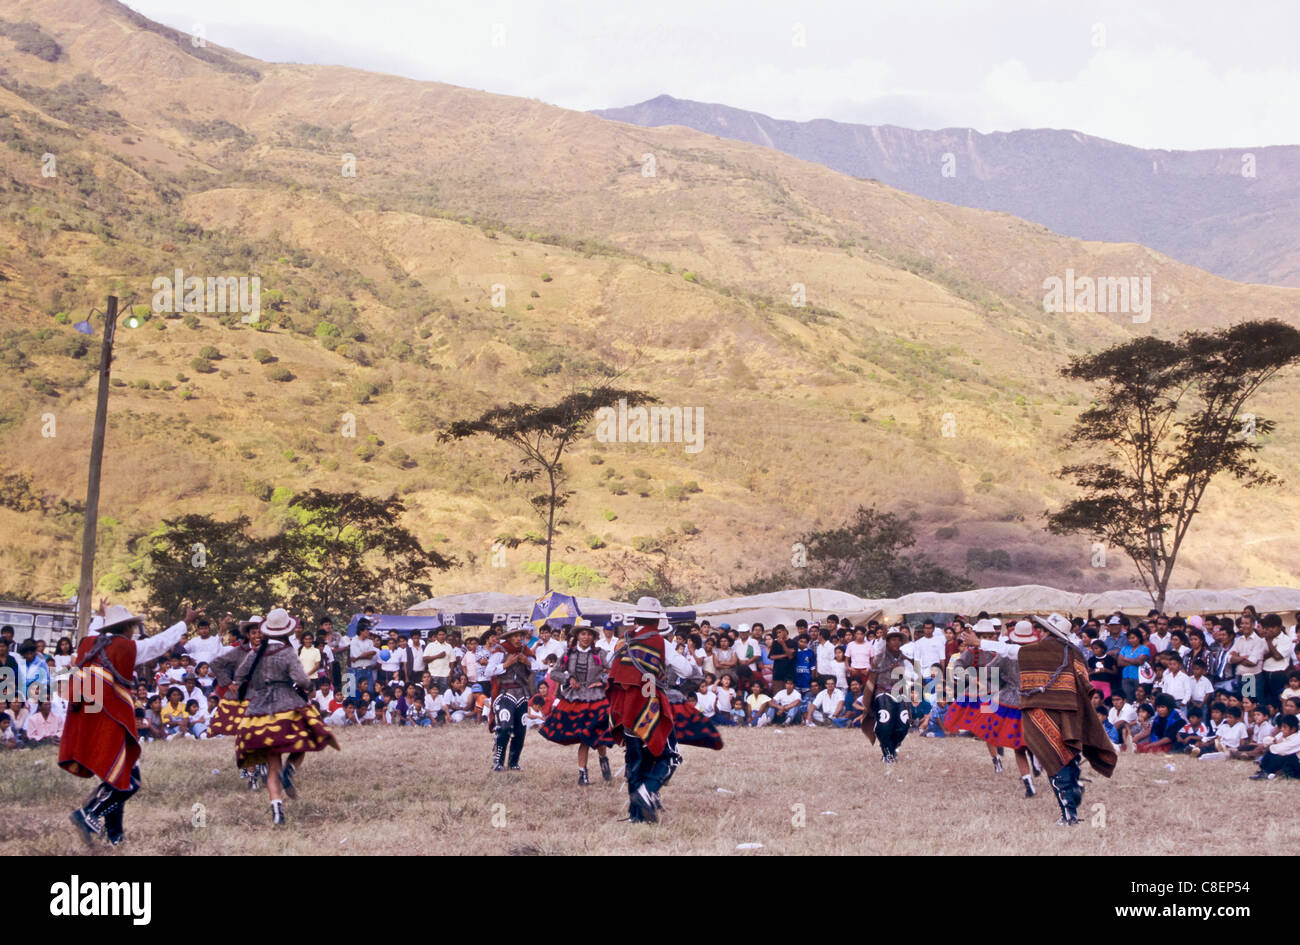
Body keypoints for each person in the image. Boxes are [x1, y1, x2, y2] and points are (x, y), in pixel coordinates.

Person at [61, 603, 192, 846]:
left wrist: (100, 618)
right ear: (128, 627)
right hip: (111, 718)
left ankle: (115, 836)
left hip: (88, 718)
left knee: (116, 777)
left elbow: (93, 631)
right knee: (130, 781)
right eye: (133, 626)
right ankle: (88, 813)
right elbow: (159, 643)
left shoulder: (89, 643)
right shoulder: (127, 648)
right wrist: (185, 623)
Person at [232, 609, 340, 825]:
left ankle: (277, 811)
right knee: (307, 738)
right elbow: (302, 680)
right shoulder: (288, 652)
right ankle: (289, 769)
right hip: (287, 704)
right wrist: (308, 686)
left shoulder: (255, 653)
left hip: (260, 711)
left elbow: (239, 675)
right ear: (286, 630)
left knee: (273, 764)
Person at [1016, 614, 1117, 825]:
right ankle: (1072, 797)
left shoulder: (1033, 652)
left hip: (1042, 712)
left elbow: (1011, 651)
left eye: (1043, 630)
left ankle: (1068, 813)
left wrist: (979, 643)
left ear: (1049, 632)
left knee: (1054, 760)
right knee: (1067, 755)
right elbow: (1084, 683)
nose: (1040, 634)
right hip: (1070, 713)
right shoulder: (1075, 652)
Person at [607, 598, 679, 824]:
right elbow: (688, 669)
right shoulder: (660, 642)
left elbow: (612, 669)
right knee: (669, 758)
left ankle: (635, 816)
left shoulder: (621, 641)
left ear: (636, 617)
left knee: (634, 760)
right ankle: (648, 791)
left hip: (625, 709)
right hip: (650, 708)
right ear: (657, 620)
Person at [952, 620, 1042, 797]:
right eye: (983, 635)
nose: (986, 637)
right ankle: (1001, 760)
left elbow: (989, 670)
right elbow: (961, 667)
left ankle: (1028, 778)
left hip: (1008, 698)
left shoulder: (1004, 653)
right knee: (1028, 737)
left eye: (989, 635)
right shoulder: (1035, 653)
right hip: (1026, 697)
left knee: (1018, 744)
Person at [539, 621, 615, 785]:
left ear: (594, 637)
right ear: (577, 635)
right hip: (576, 699)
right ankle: (583, 774)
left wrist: (602, 682)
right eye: (582, 634)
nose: (585, 637)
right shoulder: (569, 653)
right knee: (584, 737)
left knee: (599, 737)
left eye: (589, 634)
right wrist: (569, 678)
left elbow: (615, 671)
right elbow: (554, 673)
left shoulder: (601, 653)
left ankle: (603, 760)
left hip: (596, 699)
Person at [486, 626, 535, 771]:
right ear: (509, 638)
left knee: (521, 729)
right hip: (505, 693)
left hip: (522, 695)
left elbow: (540, 667)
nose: (519, 638)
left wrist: (528, 662)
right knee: (504, 726)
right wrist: (506, 665)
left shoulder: (526, 652)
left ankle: (513, 762)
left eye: (520, 635)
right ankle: (498, 761)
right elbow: (488, 671)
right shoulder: (500, 651)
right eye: (515, 636)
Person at [861, 629, 914, 763]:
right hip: (882, 692)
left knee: (904, 724)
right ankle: (887, 754)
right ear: (887, 642)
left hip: (900, 693)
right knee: (885, 721)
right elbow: (878, 649)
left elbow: (911, 677)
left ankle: (891, 748)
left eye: (898, 639)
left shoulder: (905, 659)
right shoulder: (880, 657)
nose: (896, 642)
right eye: (892, 639)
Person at [1250, 714, 1300, 780]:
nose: (1282, 729)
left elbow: (1282, 750)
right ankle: (1266, 771)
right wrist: (1274, 741)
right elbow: (1265, 741)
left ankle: (1268, 772)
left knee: (1284, 755)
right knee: (1272, 750)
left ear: (1293, 729)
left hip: (1297, 766)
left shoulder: (1297, 738)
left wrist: (1274, 744)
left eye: (1284, 727)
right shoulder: (1284, 735)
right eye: (1281, 727)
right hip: (1288, 764)